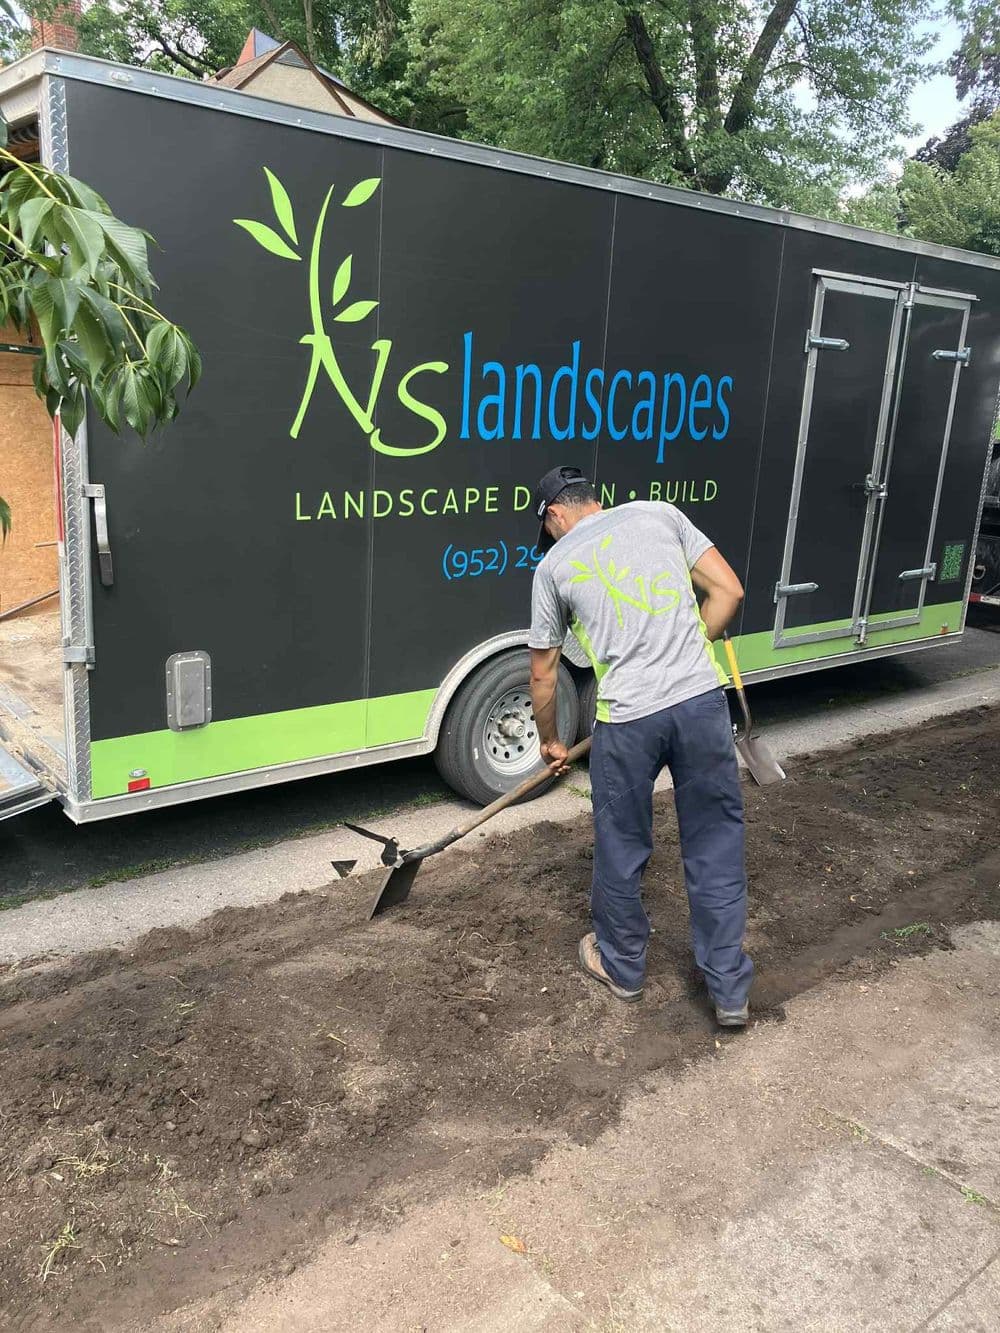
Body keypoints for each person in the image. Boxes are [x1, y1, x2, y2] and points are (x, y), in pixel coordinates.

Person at [527, 465, 753, 1027]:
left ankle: (623, 968)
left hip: (627, 722)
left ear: (555, 514)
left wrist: (552, 742)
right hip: (701, 705)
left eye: (548, 528)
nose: (551, 538)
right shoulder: (661, 514)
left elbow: (543, 674)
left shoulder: (553, 566)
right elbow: (729, 591)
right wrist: (686, 650)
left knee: (621, 846)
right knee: (714, 844)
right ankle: (729, 992)